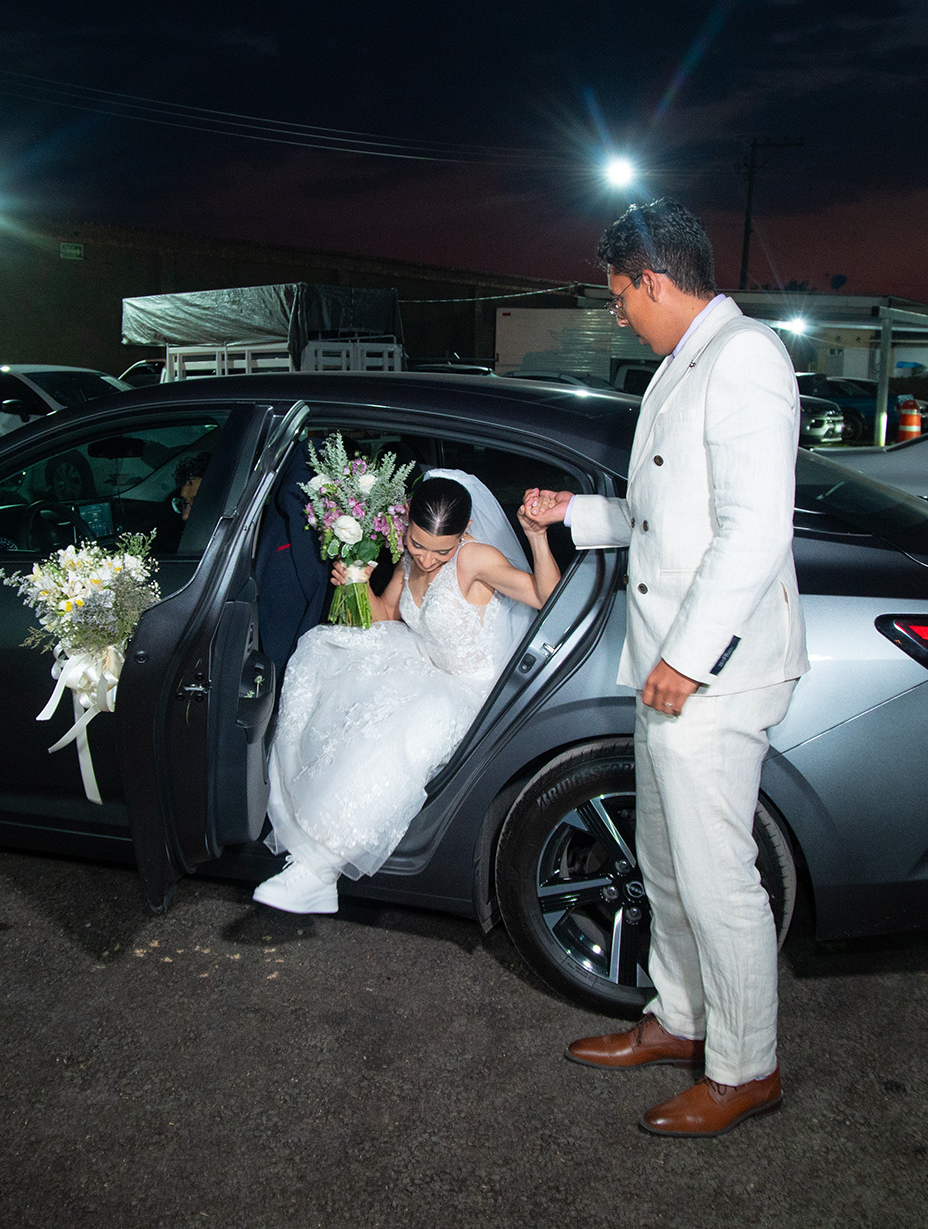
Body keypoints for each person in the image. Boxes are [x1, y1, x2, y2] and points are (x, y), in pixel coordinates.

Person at [523, 198, 808, 1139]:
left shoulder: (745, 358)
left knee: (719, 876)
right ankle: (680, 1019)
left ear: (651, 280)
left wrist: (687, 659)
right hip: (669, 665)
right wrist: (575, 514)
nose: (617, 316)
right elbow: (665, 517)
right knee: (665, 858)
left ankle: (745, 1067)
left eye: (618, 298)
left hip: (714, 671)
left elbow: (754, 530)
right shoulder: (683, 362)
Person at [253, 471, 560, 915]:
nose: (428, 559)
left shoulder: (476, 559)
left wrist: (537, 537)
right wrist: (357, 581)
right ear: (408, 525)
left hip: (470, 690)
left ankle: (320, 868)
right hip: (422, 663)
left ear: (464, 533)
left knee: (398, 726)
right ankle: (306, 841)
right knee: (326, 652)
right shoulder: (410, 556)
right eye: (418, 544)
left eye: (442, 550)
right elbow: (386, 615)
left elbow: (547, 599)